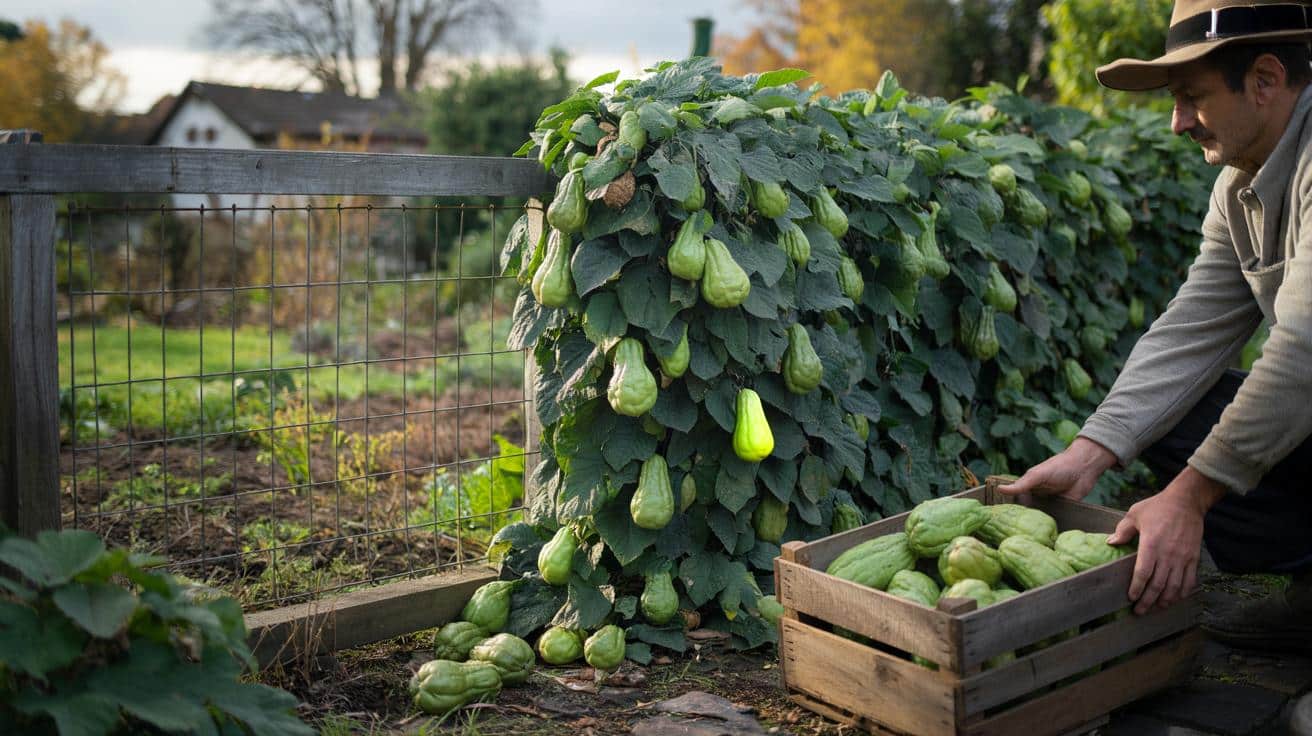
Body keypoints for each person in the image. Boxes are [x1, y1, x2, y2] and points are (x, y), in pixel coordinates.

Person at [998, 0, 1312, 655]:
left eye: (1192, 96)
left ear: (1264, 80)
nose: (1177, 123)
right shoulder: (1238, 188)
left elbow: (1304, 352)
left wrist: (1189, 499)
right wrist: (1091, 452)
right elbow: (1191, 329)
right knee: (1179, 413)